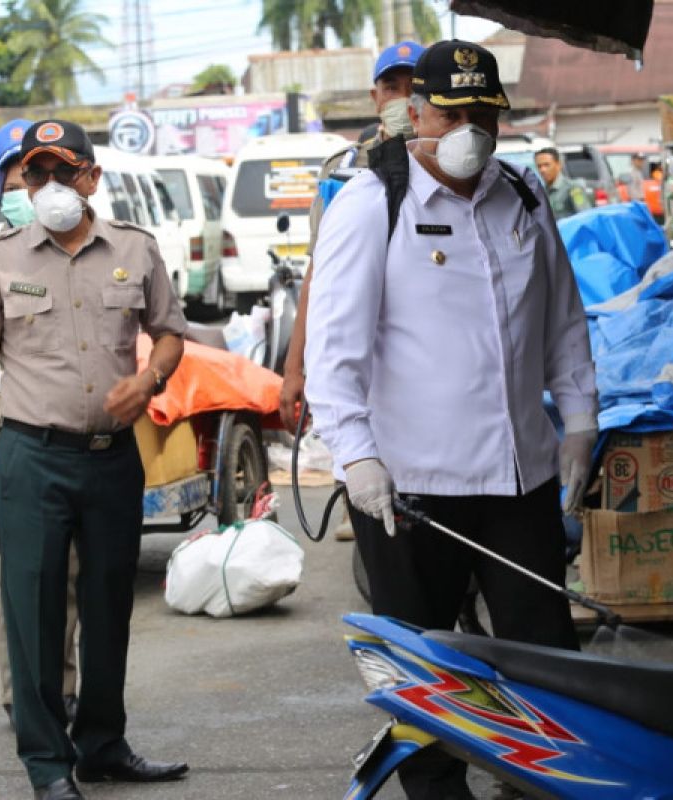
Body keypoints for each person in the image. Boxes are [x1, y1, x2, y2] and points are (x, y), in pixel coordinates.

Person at [304, 40, 598, 799]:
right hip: (409, 491)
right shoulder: (373, 204)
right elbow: (334, 351)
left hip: (519, 476)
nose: (469, 129)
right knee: (427, 677)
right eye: (453, 112)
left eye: (484, 114)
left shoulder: (524, 195)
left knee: (548, 660)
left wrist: (580, 422)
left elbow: (564, 324)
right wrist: (356, 455)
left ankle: (543, 786)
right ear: (415, 114)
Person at [0, 119, 189, 800]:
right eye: (35, 174)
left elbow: (169, 335)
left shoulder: (136, 251)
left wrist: (149, 381)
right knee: (35, 612)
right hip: (31, 459)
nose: (49, 186)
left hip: (112, 461)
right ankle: (48, 765)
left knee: (111, 605)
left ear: (92, 178)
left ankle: (103, 745)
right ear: (22, 181)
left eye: (62, 172)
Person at [0, 119, 82, 730]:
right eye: (20, 173)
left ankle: (67, 689)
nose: (35, 185)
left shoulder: (77, 246)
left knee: (73, 572)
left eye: (58, 171)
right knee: (16, 573)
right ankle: (22, 696)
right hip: (8, 427)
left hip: (70, 431)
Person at [279, 40, 424, 541]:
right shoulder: (343, 173)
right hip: (359, 346)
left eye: (414, 87)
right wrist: (294, 368)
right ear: (374, 94)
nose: (402, 97)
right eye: (391, 86)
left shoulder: (453, 167)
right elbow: (318, 274)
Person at [534, 146, 591, 219]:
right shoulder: (541, 192)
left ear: (558, 165)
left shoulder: (574, 188)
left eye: (546, 165)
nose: (542, 170)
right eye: (539, 166)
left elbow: (584, 217)